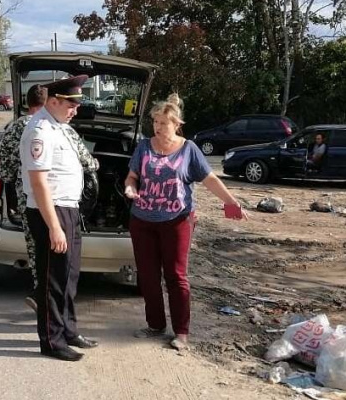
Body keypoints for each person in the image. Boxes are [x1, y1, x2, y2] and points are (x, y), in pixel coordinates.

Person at [123, 93, 248, 351]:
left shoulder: (189, 149)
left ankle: (181, 332)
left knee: (176, 276)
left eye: (163, 123)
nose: (158, 128)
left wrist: (231, 201)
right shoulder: (144, 146)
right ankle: (155, 325)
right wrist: (130, 188)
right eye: (155, 122)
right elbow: (132, 176)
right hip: (142, 219)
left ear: (177, 124)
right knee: (147, 276)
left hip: (177, 220)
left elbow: (209, 178)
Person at [20, 75, 99, 362]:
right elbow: (39, 183)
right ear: (53, 101)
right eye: (70, 104)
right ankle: (52, 341)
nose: (75, 109)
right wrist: (54, 227)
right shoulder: (39, 130)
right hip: (50, 211)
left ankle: (68, 329)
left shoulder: (60, 127)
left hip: (68, 208)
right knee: (53, 279)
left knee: (70, 276)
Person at [0, 84, 48, 313]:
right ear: (47, 103)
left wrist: (12, 184)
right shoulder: (52, 127)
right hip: (57, 196)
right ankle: (52, 296)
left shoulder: (17, 127)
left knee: (36, 246)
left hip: (26, 195)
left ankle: (41, 291)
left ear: (27, 102)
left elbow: (4, 162)